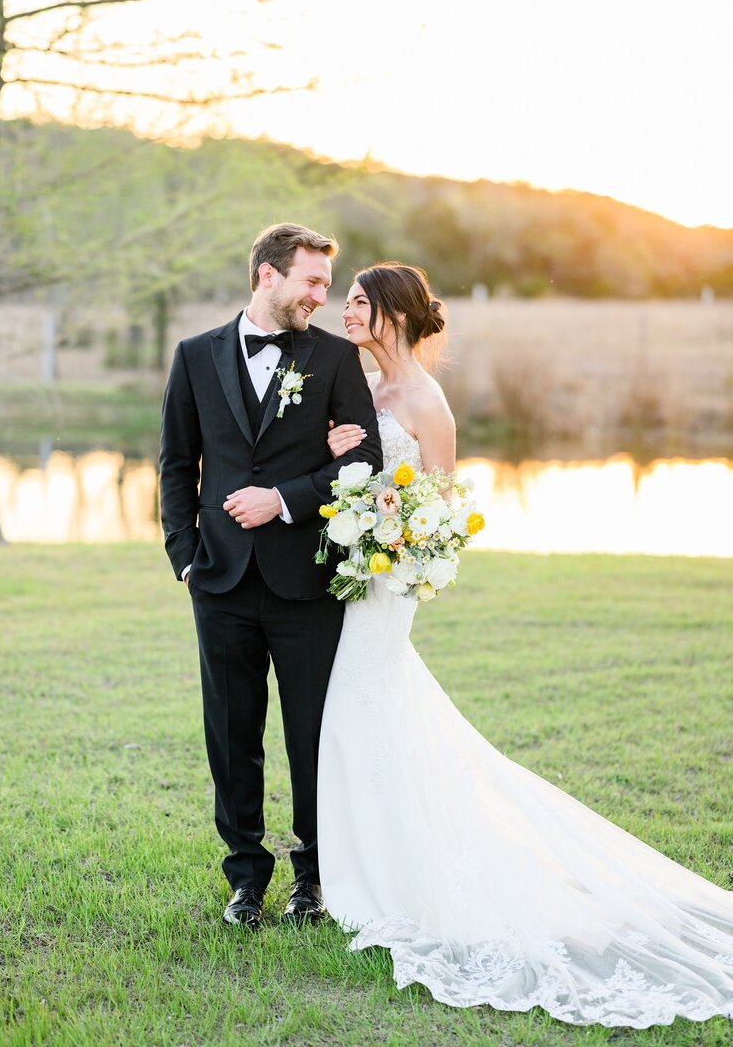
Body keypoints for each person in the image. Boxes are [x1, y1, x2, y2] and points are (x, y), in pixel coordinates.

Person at [317, 262, 733, 1027]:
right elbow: (358, 469)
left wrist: (384, 521)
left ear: (396, 316)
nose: (345, 312)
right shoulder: (363, 388)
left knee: (360, 715)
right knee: (360, 722)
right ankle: (359, 874)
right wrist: (348, 465)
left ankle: (387, 883)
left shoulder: (425, 400)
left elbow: (440, 511)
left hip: (387, 585)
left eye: (358, 303)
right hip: (355, 577)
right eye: (343, 301)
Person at [159, 223, 382, 930]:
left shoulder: (337, 360)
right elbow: (174, 463)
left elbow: (364, 460)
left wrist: (284, 499)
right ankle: (245, 881)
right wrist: (185, 555)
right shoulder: (194, 357)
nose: (324, 297)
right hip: (219, 580)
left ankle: (313, 881)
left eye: (326, 283)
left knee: (313, 735)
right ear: (267, 276)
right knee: (231, 733)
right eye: (312, 282)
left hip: (307, 582)